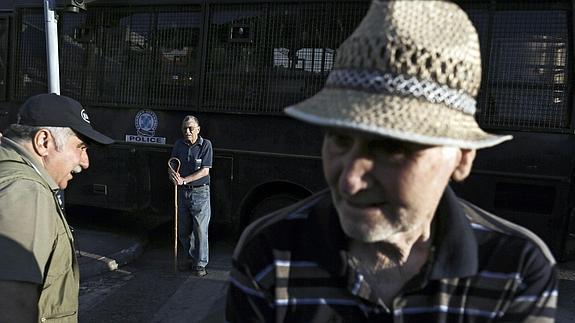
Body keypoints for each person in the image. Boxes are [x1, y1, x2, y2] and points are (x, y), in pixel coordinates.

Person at [226, 1, 557, 322]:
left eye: (392, 148)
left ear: (461, 158)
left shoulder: (516, 269)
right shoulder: (270, 254)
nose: (349, 180)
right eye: (340, 139)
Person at [0, 93, 113, 322]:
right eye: (81, 147)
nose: (85, 162)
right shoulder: (26, 192)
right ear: (44, 142)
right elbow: (13, 304)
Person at [169, 115, 213, 277]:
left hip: (200, 192)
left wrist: (184, 180)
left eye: (191, 128)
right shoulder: (179, 144)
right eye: (184, 129)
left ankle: (200, 264)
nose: (187, 131)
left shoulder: (206, 145)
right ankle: (189, 259)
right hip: (182, 193)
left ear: (198, 130)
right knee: (183, 229)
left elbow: (205, 171)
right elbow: (172, 163)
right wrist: (172, 174)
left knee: (200, 230)